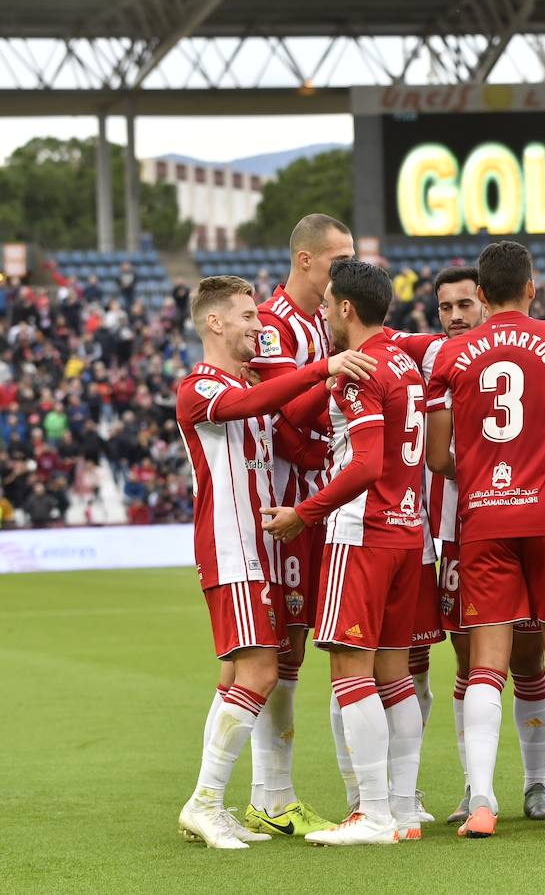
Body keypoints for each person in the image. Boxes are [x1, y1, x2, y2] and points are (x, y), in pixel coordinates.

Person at [425, 241, 545, 837]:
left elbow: (436, 458)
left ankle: (480, 803)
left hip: (483, 522)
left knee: (485, 666)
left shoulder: (451, 356)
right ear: (531, 288)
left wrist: (486, 475)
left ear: (480, 295)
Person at [175, 274, 375, 849]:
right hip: (232, 548)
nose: (258, 325)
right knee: (261, 672)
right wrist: (324, 368)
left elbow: (288, 413)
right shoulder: (200, 387)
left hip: (260, 551)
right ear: (215, 323)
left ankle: (228, 802)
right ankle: (205, 802)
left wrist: (333, 381)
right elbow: (256, 403)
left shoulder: (245, 379)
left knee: (250, 672)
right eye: (245, 316)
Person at [262, 258, 428, 846]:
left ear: (347, 309)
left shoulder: (359, 370)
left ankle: (374, 814)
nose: (323, 313)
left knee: (348, 673)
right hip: (409, 530)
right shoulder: (402, 362)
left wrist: (303, 514)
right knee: (395, 675)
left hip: (363, 532)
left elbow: (365, 463)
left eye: (329, 304)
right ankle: (404, 811)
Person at [399, 266, 545, 826]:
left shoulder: (525, 353)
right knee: (469, 662)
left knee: (530, 659)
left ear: (486, 301)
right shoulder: (433, 361)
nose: (456, 316)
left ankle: (536, 786)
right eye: (445, 308)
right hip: (457, 532)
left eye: (465, 304)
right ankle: (476, 786)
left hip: (518, 520)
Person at [242, 213, 354, 838]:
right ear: (306, 260)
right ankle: (271, 794)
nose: (347, 267)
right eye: (339, 258)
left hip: (320, 503)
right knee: (283, 650)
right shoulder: (272, 323)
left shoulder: (323, 320)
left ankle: (279, 794)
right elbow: (284, 425)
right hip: (285, 504)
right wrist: (331, 384)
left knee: (307, 648)